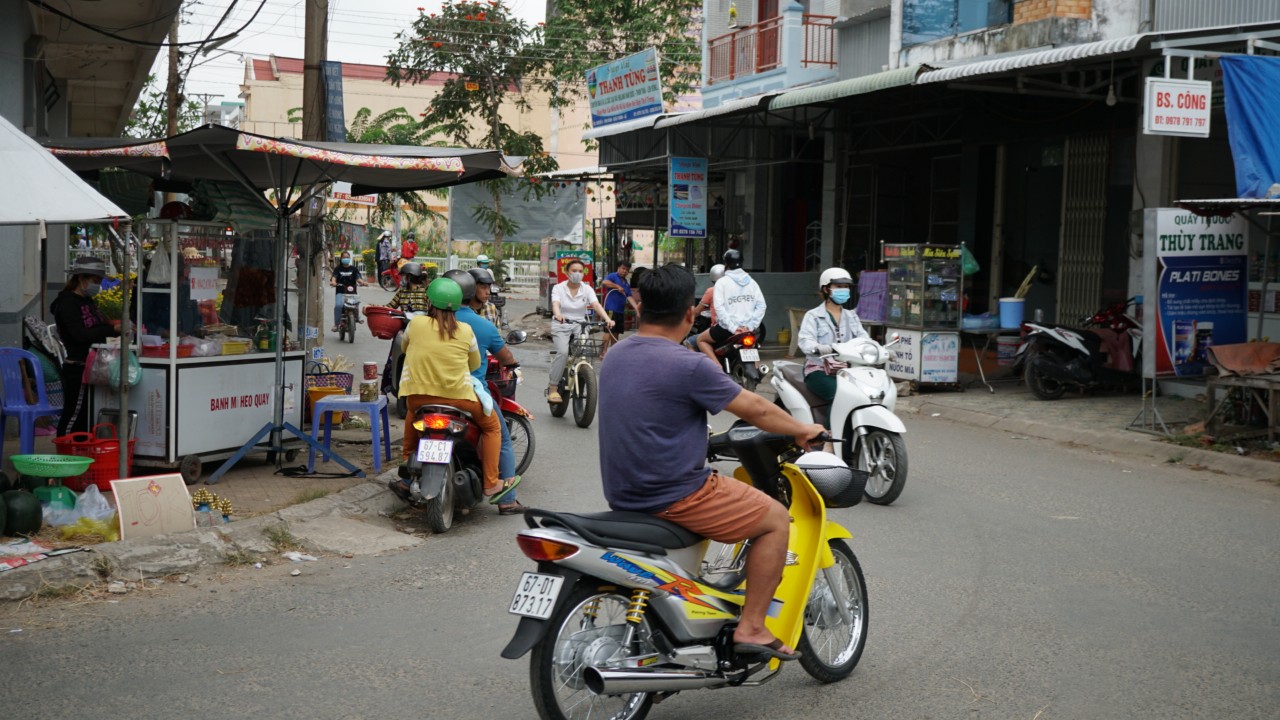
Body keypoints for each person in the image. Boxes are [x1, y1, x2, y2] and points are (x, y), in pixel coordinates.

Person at [598, 264, 824, 661]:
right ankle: (752, 627)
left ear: (638, 307)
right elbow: (755, 406)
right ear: (690, 314)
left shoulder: (617, 354)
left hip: (623, 492)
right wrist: (803, 430)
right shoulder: (687, 363)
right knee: (773, 518)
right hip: (675, 493)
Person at [391, 277, 516, 504]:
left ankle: (407, 474)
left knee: (412, 415)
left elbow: (405, 347)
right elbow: (474, 364)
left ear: (429, 302)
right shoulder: (466, 330)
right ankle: (491, 483)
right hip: (459, 399)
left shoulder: (416, 324)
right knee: (492, 427)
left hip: (419, 397)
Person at [457, 267, 525, 515]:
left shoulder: (428, 321)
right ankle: (506, 498)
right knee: (500, 434)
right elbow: (505, 355)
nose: (487, 292)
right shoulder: (480, 325)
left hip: (426, 390)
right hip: (469, 392)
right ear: (469, 289)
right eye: (483, 287)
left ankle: (409, 480)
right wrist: (512, 363)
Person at [51, 256, 122, 436]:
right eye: (95, 281)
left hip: (93, 365)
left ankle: (80, 454)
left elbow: (97, 327)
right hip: (78, 366)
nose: (97, 286)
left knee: (86, 417)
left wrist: (114, 327)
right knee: (74, 415)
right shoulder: (67, 303)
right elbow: (78, 334)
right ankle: (65, 452)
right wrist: (112, 329)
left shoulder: (88, 302)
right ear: (82, 279)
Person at [797, 268, 869, 403]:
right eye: (839, 286)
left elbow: (864, 339)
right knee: (841, 397)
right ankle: (830, 425)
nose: (844, 290)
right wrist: (819, 348)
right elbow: (805, 341)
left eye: (846, 287)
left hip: (848, 371)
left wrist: (880, 349)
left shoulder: (852, 316)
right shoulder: (813, 316)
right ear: (826, 289)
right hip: (819, 371)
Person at [547, 259, 613, 403]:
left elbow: (595, 305)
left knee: (584, 350)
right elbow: (556, 304)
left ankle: (580, 372)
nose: (577, 274)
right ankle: (552, 388)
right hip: (562, 324)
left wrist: (607, 318)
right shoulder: (558, 288)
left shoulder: (587, 289)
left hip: (580, 324)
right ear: (566, 272)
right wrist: (558, 314)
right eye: (574, 271)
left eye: (580, 271)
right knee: (563, 352)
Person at [696, 249, 766, 366]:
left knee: (700, 340)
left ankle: (718, 369)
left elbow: (719, 309)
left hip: (726, 329)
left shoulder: (721, 282)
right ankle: (757, 370)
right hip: (747, 329)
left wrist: (733, 328)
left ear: (726, 264)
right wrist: (750, 326)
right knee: (752, 345)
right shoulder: (752, 282)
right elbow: (761, 306)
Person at [599, 260, 640, 358]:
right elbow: (604, 282)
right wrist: (616, 286)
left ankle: (613, 352)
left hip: (619, 311)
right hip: (610, 309)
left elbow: (629, 296)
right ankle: (603, 352)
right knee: (608, 331)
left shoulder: (626, 282)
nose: (624, 271)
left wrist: (637, 309)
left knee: (616, 332)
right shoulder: (613, 276)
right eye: (623, 268)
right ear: (618, 268)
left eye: (627, 270)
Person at [330, 250, 367, 332]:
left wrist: (363, 282)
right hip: (340, 292)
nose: (346, 259)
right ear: (341, 258)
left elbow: (358, 278)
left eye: (347, 257)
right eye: (344, 257)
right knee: (338, 306)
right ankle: (336, 324)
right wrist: (333, 282)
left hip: (352, 293)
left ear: (349, 258)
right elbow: (334, 277)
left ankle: (357, 318)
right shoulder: (338, 269)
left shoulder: (354, 269)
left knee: (356, 305)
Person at [693, 263, 725, 334]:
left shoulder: (711, 291)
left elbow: (697, 311)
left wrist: (686, 318)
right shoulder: (735, 290)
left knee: (691, 342)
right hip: (737, 327)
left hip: (719, 328)